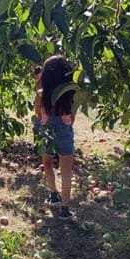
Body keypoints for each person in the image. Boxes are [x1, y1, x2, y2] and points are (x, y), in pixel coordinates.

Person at [35, 54, 78, 220]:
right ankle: (65, 209)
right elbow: (72, 118)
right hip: (65, 132)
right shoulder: (70, 93)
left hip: (47, 132)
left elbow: (38, 113)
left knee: (47, 163)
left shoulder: (41, 94)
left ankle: (53, 195)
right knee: (66, 169)